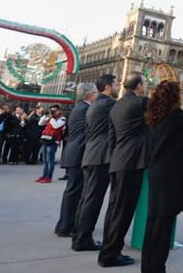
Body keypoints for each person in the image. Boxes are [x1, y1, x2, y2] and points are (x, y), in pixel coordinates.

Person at [142, 80, 183, 273]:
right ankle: (155, 268)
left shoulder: (152, 115)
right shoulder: (175, 115)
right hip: (170, 175)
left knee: (154, 221)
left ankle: (148, 266)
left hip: (156, 172)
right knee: (163, 225)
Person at [98, 72, 149, 268]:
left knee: (114, 209)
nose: (145, 86)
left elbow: (112, 138)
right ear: (138, 86)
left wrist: (116, 158)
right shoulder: (141, 103)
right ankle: (111, 255)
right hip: (132, 163)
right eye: (143, 83)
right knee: (124, 210)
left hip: (118, 161)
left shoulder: (116, 105)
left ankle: (108, 250)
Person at [73, 74, 118, 252]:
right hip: (100, 157)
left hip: (91, 155)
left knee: (86, 198)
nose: (117, 87)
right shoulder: (108, 104)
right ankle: (83, 239)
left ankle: (79, 236)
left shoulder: (95, 104)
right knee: (93, 200)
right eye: (116, 84)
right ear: (107, 87)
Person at [56, 83, 97, 238]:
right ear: (90, 95)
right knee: (75, 191)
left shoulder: (78, 108)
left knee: (72, 191)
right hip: (79, 153)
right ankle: (67, 225)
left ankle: (64, 224)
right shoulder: (86, 109)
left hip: (73, 152)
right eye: (96, 93)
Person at [37, 105, 66, 183]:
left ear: (59, 110)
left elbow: (56, 126)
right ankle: (44, 175)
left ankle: (49, 177)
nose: (53, 112)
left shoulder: (62, 119)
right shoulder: (50, 118)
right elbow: (40, 123)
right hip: (46, 139)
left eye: (55, 111)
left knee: (50, 160)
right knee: (45, 160)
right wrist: (45, 115)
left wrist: (51, 118)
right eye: (51, 111)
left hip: (53, 141)